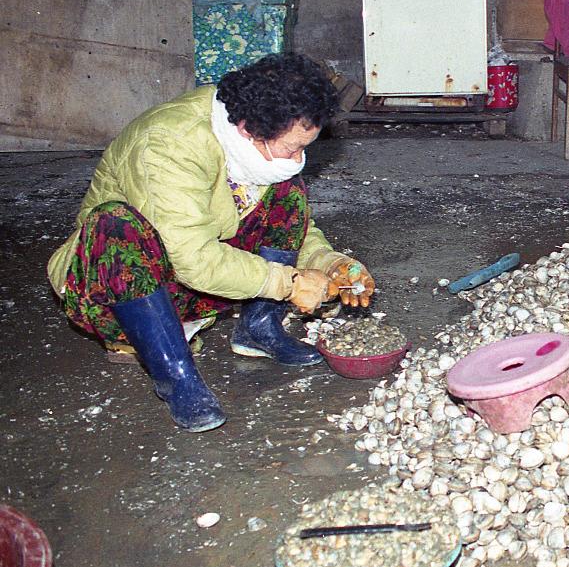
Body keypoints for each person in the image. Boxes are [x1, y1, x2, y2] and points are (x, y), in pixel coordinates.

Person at [46, 53, 377, 432]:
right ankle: (176, 377)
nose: (299, 158)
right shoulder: (168, 145)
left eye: (306, 147)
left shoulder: (249, 139)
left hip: (197, 282)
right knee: (116, 224)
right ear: (249, 128)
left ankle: (258, 329)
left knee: (287, 188)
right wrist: (288, 284)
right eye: (292, 147)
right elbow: (192, 258)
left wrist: (328, 263)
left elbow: (286, 220)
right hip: (121, 292)